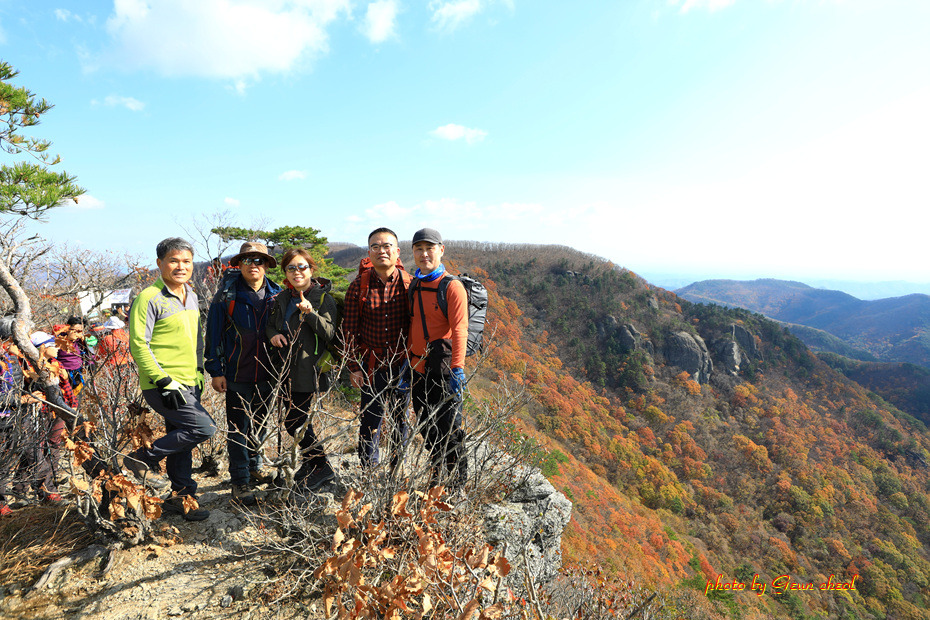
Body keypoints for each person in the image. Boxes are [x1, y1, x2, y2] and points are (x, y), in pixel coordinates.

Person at [126, 237, 216, 521]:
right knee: (204, 428)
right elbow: (139, 344)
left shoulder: (191, 294)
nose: (181, 266)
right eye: (174, 261)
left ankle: (182, 498)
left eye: (186, 261)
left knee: (183, 442)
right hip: (163, 383)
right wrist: (162, 380)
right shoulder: (148, 298)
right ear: (160, 264)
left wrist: (200, 372)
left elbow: (197, 340)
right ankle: (142, 457)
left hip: (190, 381)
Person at [204, 242, 282, 506]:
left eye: (258, 260)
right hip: (236, 373)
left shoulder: (276, 294)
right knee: (238, 429)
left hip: (269, 374)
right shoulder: (226, 296)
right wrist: (215, 370)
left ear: (267, 265)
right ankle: (240, 481)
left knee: (259, 424)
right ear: (239, 264)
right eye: (247, 260)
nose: (253, 265)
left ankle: (254, 465)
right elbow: (213, 334)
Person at [266, 248, 338, 491]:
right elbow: (270, 326)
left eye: (302, 267)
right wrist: (273, 335)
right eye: (291, 268)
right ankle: (310, 463)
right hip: (284, 369)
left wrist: (310, 314)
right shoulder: (281, 298)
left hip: (309, 369)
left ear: (311, 269)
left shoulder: (322, 298)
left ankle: (321, 466)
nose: (297, 272)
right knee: (296, 420)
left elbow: (329, 333)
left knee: (295, 421)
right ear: (285, 272)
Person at [341, 227, 412, 471]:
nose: (382, 251)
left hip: (403, 365)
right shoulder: (358, 287)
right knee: (370, 421)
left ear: (397, 251)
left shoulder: (408, 285)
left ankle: (396, 470)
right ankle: (368, 473)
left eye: (387, 246)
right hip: (371, 366)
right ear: (369, 252)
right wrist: (354, 367)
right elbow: (348, 331)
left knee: (400, 420)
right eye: (376, 246)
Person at [406, 228, 469, 488]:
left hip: (443, 370)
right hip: (417, 368)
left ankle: (457, 484)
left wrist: (458, 368)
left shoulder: (451, 287)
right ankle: (436, 474)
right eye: (419, 249)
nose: (424, 254)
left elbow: (460, 328)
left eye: (429, 248)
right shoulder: (415, 284)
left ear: (441, 250)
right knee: (425, 426)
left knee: (450, 429)